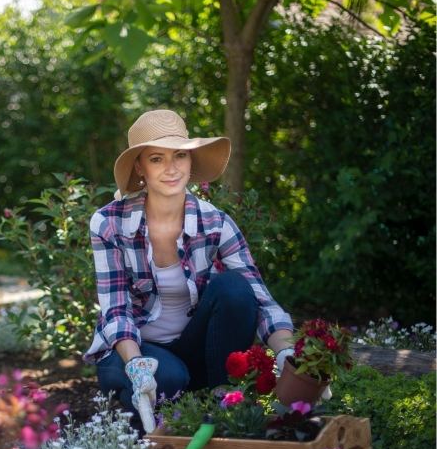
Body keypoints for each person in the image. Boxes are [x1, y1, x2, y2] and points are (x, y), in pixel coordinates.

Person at [83, 109, 297, 429]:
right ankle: (140, 414)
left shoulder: (216, 223)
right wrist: (138, 365)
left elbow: (259, 297)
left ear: (191, 160)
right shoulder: (109, 223)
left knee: (235, 288)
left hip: (193, 350)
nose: (171, 168)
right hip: (132, 352)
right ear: (139, 166)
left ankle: (220, 400)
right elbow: (115, 309)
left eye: (180, 155)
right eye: (157, 159)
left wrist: (286, 355)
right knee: (168, 376)